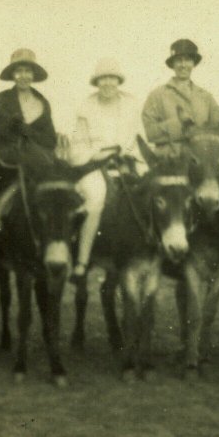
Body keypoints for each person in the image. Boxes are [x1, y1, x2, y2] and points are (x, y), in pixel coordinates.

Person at [69, 58, 146, 281]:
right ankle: (83, 260)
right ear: (97, 81)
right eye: (103, 78)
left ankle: (153, 250)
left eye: (112, 78)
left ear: (118, 81)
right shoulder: (87, 106)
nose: (108, 83)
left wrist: (128, 154)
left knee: (150, 192)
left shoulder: (131, 104)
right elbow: (78, 145)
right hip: (95, 165)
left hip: (126, 161)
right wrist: (96, 155)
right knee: (95, 200)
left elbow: (139, 138)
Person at [0, 48, 57, 198]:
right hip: (5, 169)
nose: (23, 76)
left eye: (28, 71)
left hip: (38, 170)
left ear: (33, 74)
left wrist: (29, 131)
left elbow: (51, 141)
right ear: (12, 75)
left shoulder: (43, 103)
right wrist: (7, 126)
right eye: (19, 71)